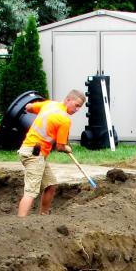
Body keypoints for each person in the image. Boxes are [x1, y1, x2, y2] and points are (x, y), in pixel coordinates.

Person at [16, 89, 85, 217]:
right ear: (68, 100)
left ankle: (44, 216)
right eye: (76, 105)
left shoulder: (49, 104)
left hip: (34, 152)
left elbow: (29, 107)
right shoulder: (64, 120)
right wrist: (67, 148)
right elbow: (60, 146)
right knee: (31, 192)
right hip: (34, 154)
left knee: (51, 185)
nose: (77, 109)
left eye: (80, 107)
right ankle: (20, 223)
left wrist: (36, 111)